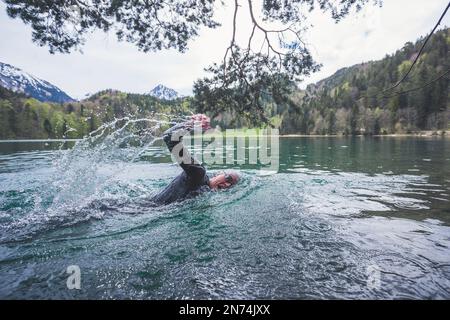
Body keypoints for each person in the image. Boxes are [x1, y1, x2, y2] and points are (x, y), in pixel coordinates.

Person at [151, 114, 239, 205]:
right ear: (219, 173)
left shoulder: (204, 194)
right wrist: (191, 124)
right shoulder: (198, 173)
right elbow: (169, 137)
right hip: (144, 209)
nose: (227, 185)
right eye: (228, 178)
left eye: (231, 186)